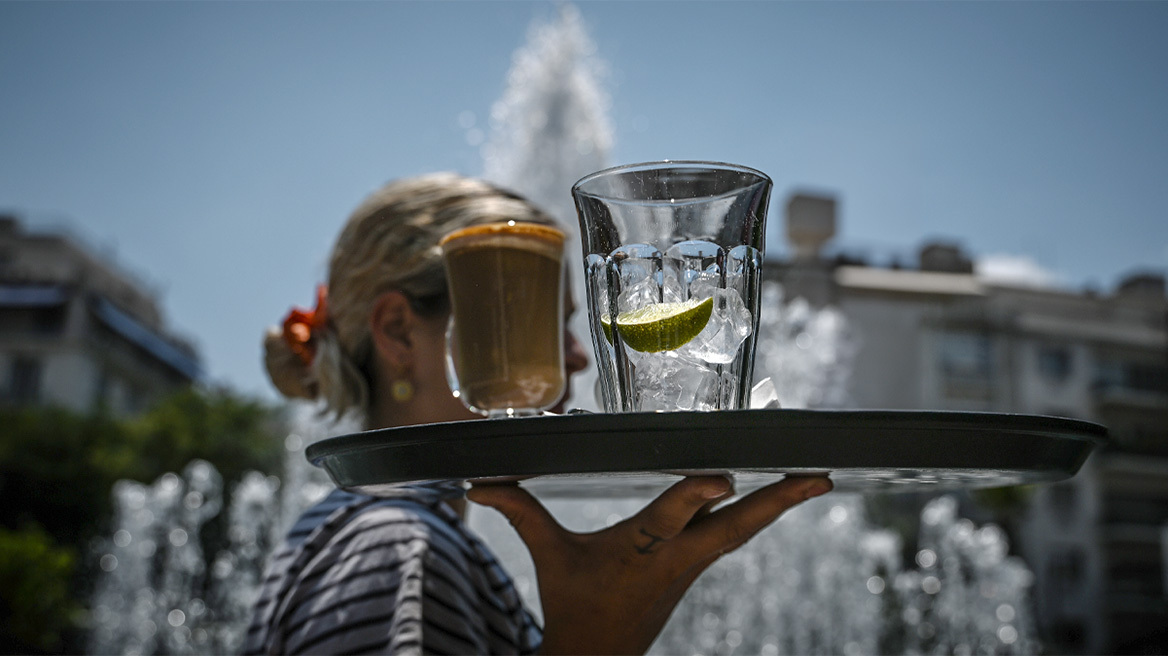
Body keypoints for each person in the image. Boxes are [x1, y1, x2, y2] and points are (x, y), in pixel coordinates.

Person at [246, 173, 832, 655]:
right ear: (400, 332)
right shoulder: (396, 547)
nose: (579, 356)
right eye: (542, 317)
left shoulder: (366, 528)